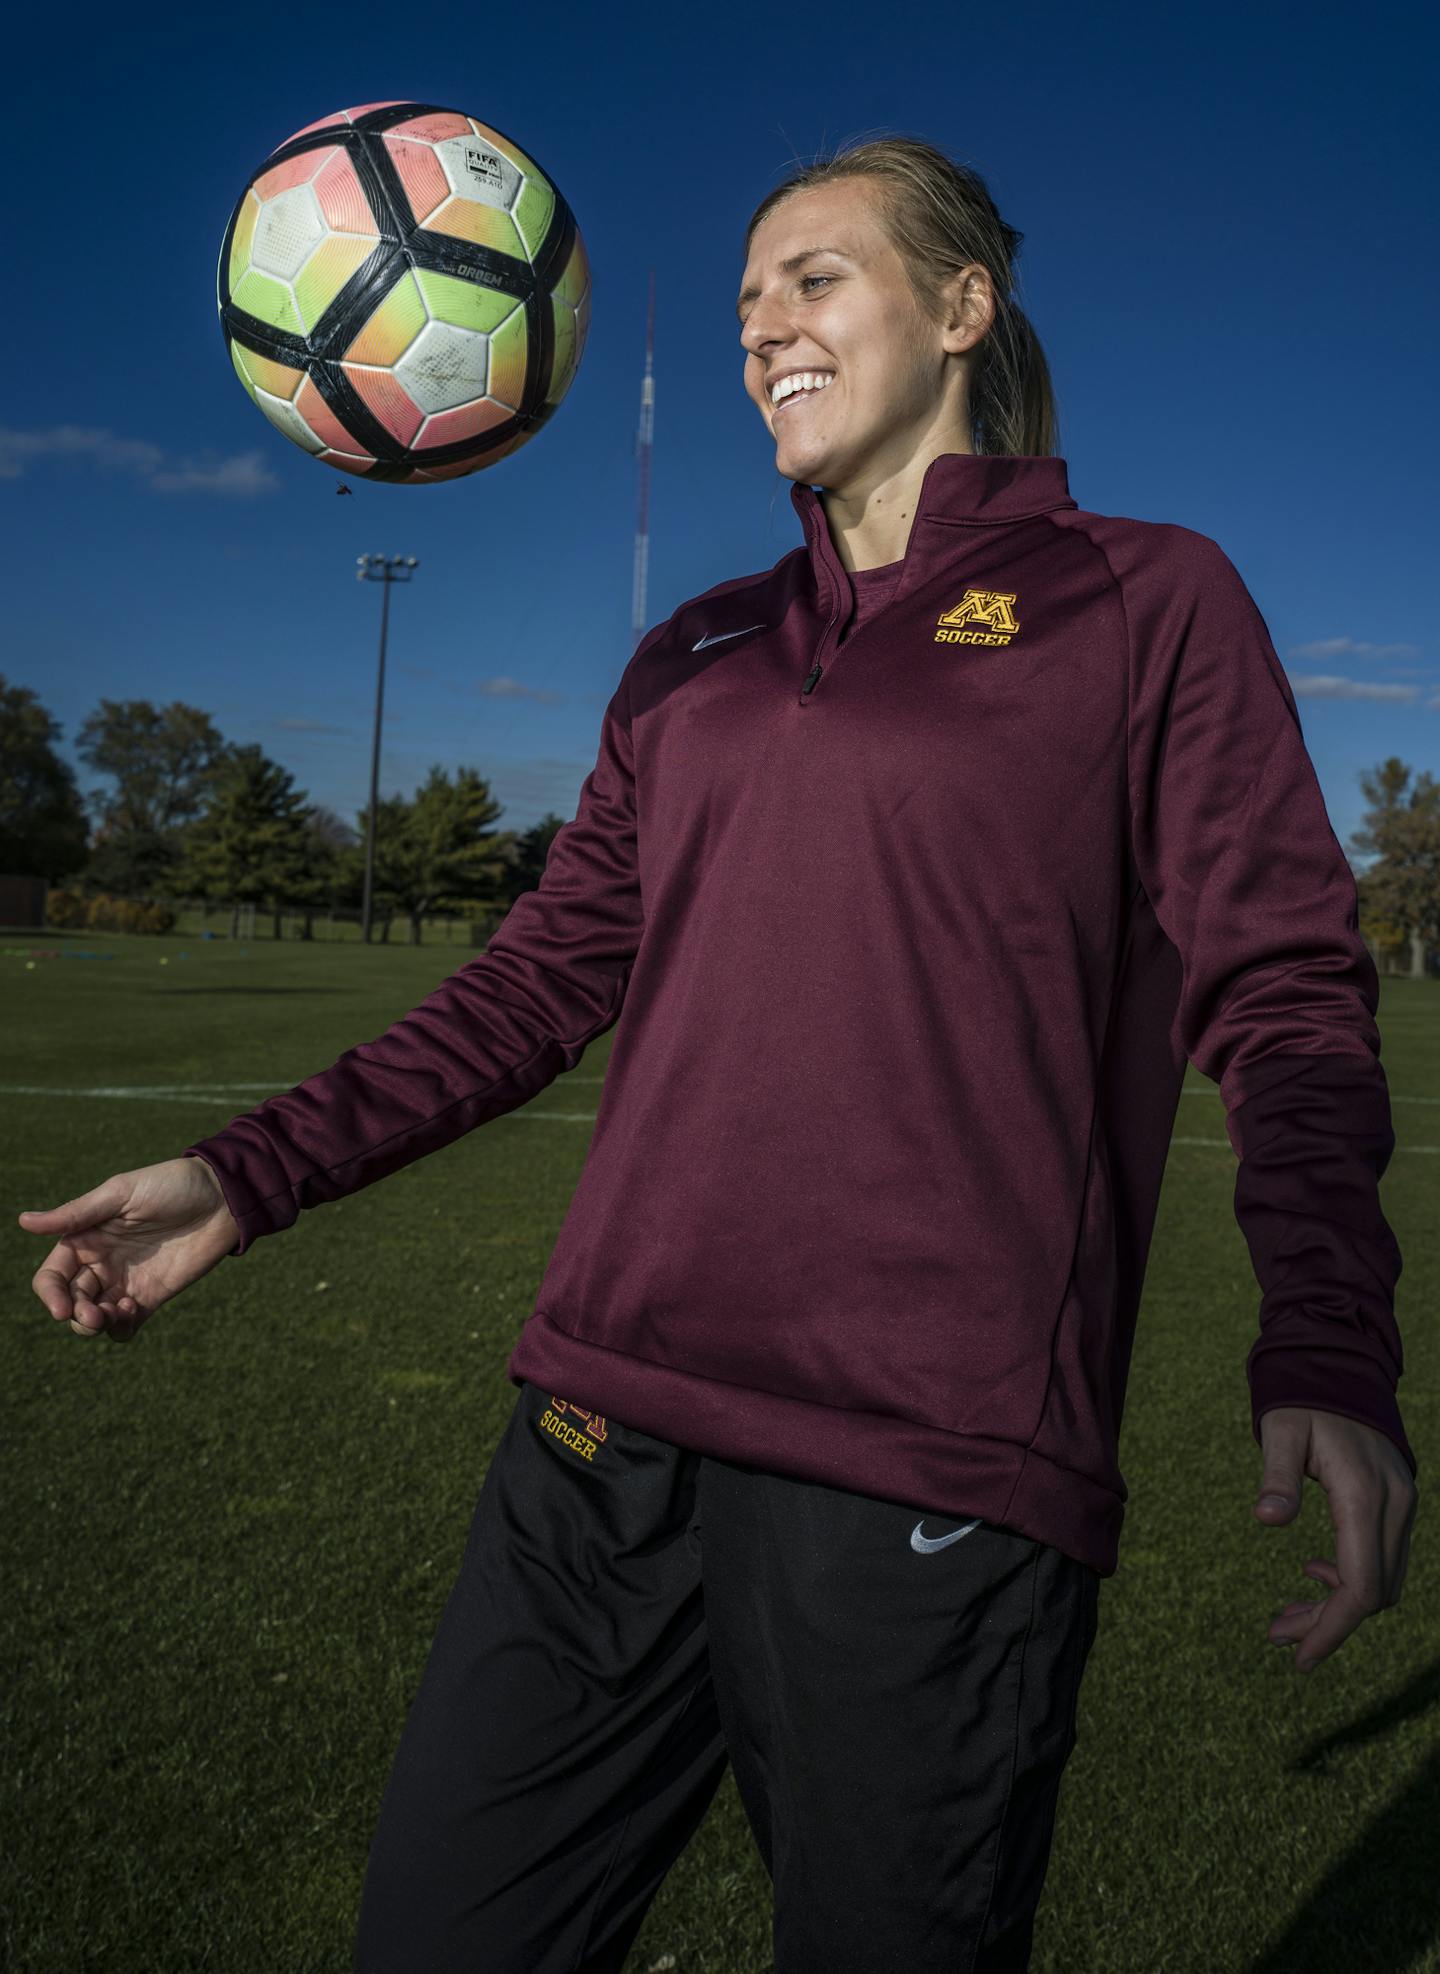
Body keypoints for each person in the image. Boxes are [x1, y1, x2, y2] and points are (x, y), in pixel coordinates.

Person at [22, 134, 1419, 1972]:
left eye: (813, 280)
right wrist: (246, 1173)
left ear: (962, 309)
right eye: (749, 296)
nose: (766, 325)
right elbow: (529, 989)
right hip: (597, 1443)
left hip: (930, 1477)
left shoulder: (1145, 604)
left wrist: (1324, 1335)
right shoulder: (695, 649)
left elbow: (1292, 994)